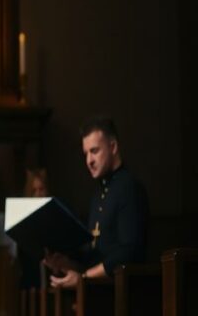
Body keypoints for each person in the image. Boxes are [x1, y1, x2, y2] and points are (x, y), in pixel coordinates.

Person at [43, 117, 148, 289]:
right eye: (86, 154)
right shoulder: (99, 194)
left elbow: (130, 251)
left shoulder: (129, 188)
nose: (88, 160)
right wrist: (67, 264)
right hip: (100, 291)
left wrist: (83, 278)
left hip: (122, 292)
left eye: (94, 151)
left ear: (113, 147)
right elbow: (97, 257)